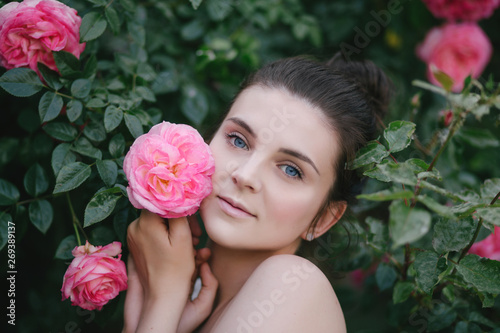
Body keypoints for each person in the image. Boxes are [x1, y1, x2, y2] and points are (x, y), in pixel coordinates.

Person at [122, 54, 392, 333]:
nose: (245, 175)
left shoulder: (292, 286)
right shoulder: (196, 304)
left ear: (323, 218)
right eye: (238, 140)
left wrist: (164, 297)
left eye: (290, 170)